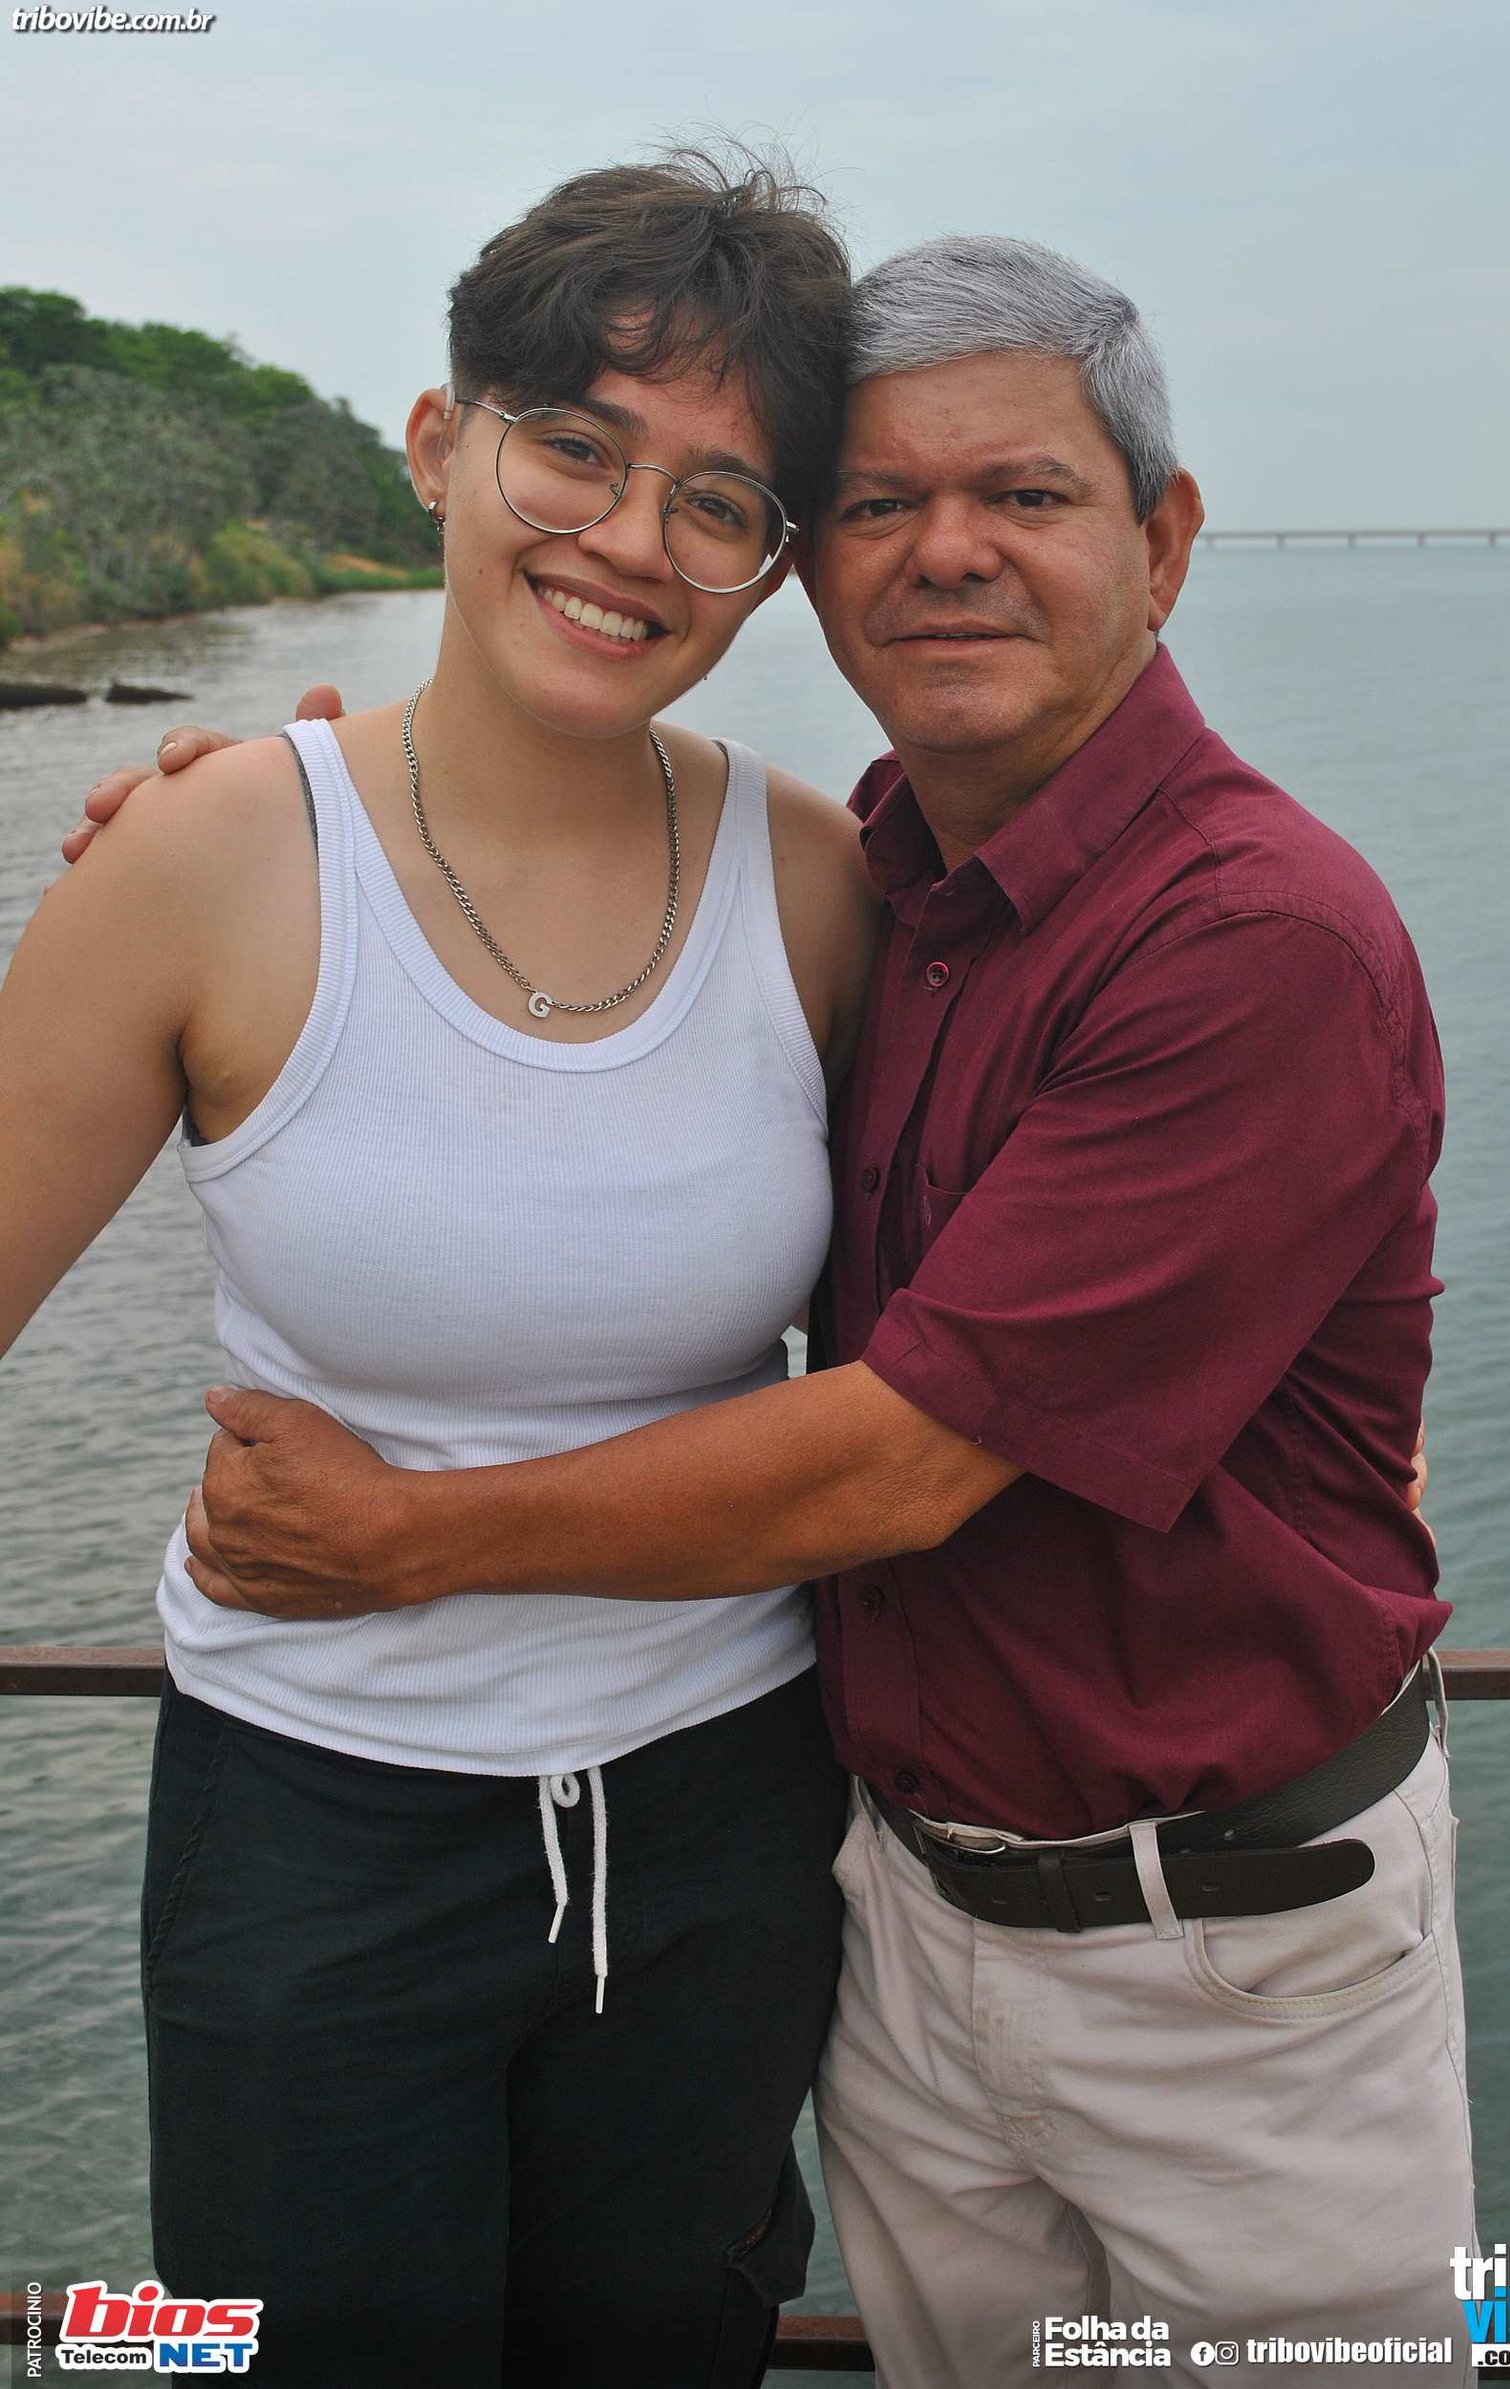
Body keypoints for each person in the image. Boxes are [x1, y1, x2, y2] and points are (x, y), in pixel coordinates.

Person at [67, 241, 1466, 2388]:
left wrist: (402, 1536)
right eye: (879, 503)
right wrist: (268, 829)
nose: (947, 551)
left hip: (1198, 1943)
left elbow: (907, 1454)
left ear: (1165, 541)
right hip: (862, 1908)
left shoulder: (1221, 933)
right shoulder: (892, 878)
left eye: (1025, 494)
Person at [2, 152, 887, 2388]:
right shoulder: (209, 857)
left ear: (772, 565)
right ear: (439, 442)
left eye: (717, 501)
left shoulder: (815, 886)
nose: (628, 540)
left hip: (723, 1815)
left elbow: (948, 1369)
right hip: (314, 1822)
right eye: (573, 446)